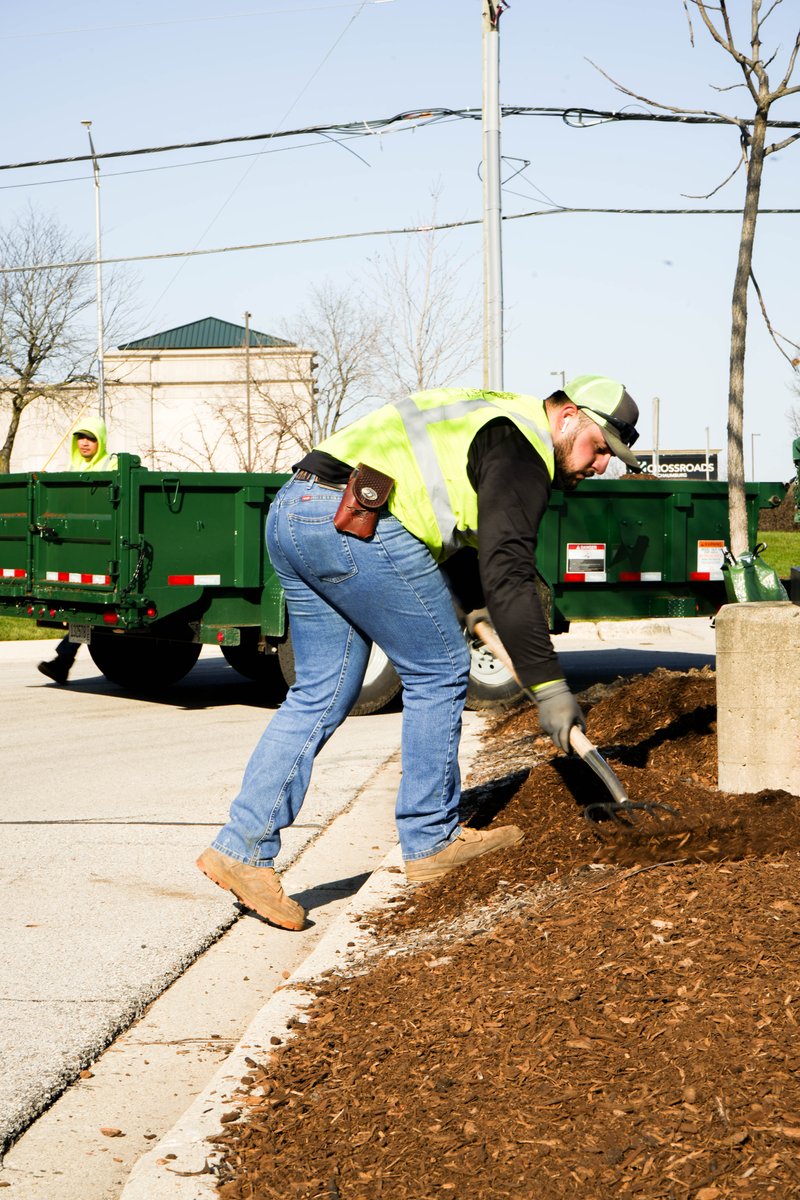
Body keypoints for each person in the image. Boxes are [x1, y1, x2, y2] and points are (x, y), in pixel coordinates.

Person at [197, 375, 642, 930]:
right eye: (600, 447)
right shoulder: (523, 449)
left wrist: (473, 604)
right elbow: (509, 570)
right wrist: (549, 686)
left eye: (612, 458)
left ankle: (242, 850)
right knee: (440, 669)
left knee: (320, 692)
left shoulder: (491, 417)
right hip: (357, 519)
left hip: (298, 509)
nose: (601, 464)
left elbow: (452, 525)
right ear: (570, 415)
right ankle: (430, 841)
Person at [37, 417, 118, 685]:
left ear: (101, 440)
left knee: (91, 611)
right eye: (80, 437)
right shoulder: (72, 465)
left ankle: (63, 661)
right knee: (87, 611)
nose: (84, 442)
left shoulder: (112, 463)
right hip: (81, 545)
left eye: (91, 437)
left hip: (105, 544)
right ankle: (63, 661)